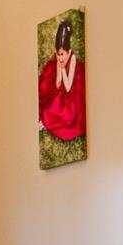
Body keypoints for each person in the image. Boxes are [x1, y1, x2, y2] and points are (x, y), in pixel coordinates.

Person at [39, 15, 86, 149]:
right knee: (51, 106)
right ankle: (46, 121)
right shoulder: (58, 60)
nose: (60, 58)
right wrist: (59, 67)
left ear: (68, 52)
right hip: (63, 93)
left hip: (72, 92)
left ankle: (50, 122)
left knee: (69, 116)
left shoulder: (73, 59)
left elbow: (68, 86)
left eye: (63, 54)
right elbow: (58, 84)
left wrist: (64, 68)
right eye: (58, 54)